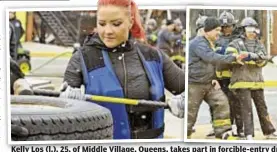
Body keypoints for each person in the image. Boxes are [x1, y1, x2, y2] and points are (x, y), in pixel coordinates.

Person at [61, 0, 185, 139]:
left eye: (116, 24)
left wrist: (187, 100)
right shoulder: (82, 57)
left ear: (130, 22)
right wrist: (70, 103)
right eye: (101, 24)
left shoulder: (154, 57)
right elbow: (62, 109)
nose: (107, 31)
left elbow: (192, 86)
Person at [187, 17, 247, 140]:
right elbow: (211, 58)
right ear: (207, 30)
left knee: (221, 102)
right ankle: (186, 134)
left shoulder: (208, 43)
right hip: (195, 84)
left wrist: (214, 78)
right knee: (190, 112)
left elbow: (209, 64)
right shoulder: (198, 43)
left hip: (209, 83)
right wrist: (233, 58)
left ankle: (223, 131)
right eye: (217, 30)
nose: (219, 33)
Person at [225, 17, 277, 140]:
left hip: (257, 82)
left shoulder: (259, 44)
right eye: (248, 28)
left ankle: (269, 131)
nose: (251, 31)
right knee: (246, 109)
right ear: (243, 30)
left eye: (253, 28)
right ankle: (247, 134)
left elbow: (262, 61)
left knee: (262, 108)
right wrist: (246, 57)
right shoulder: (234, 43)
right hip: (241, 82)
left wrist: (251, 56)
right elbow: (230, 57)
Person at [207, 11, 243, 137]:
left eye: (229, 26)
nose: (226, 29)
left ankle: (236, 128)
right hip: (218, 76)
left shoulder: (238, 39)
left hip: (233, 76)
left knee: (234, 103)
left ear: (233, 26)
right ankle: (218, 127)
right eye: (223, 27)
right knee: (216, 102)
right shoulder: (215, 38)